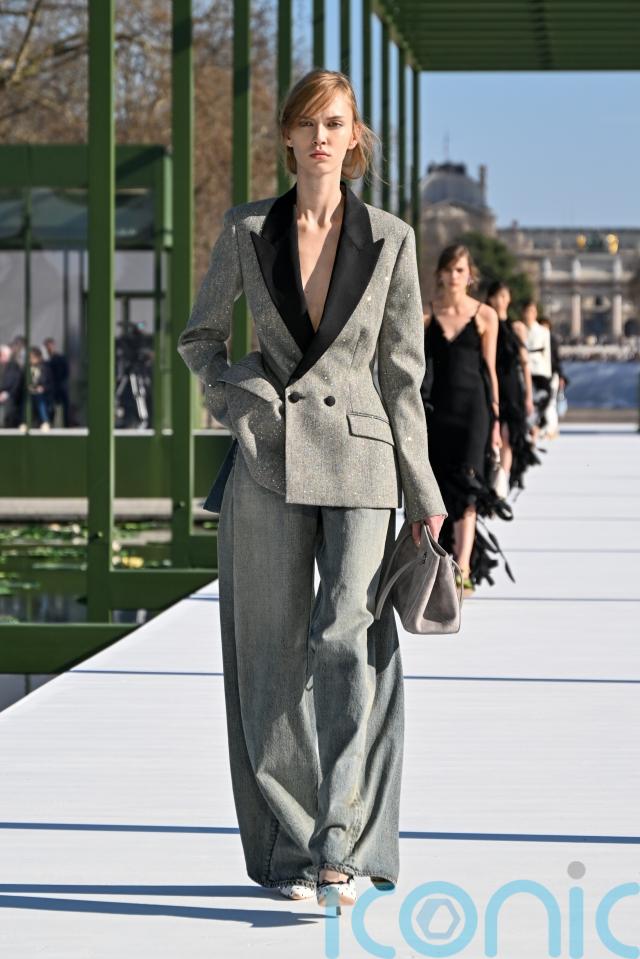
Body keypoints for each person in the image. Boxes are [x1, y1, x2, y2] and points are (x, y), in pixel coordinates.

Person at [176, 69, 446, 911]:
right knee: (270, 654)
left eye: (335, 123)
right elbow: (199, 339)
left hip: (363, 461)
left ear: (354, 137)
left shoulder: (392, 239)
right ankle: (292, 848)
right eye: (308, 123)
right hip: (269, 458)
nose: (322, 137)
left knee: (344, 637)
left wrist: (425, 490)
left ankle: (342, 838)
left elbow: (402, 376)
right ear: (288, 137)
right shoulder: (246, 229)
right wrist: (239, 401)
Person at [421, 245, 508, 595]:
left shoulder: (486, 316)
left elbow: (490, 371)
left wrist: (496, 422)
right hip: (436, 413)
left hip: (475, 413)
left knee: (468, 488)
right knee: (438, 489)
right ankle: (437, 566)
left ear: (470, 275)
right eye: (449, 270)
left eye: (461, 270)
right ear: (440, 274)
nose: (454, 276)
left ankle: (464, 568)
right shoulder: (426, 315)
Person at [486, 281, 539, 490]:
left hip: (511, 387)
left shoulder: (517, 328)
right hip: (489, 383)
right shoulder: (483, 322)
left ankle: (502, 479)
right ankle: (494, 475)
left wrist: (528, 395)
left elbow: (525, 363)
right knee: (492, 433)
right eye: (497, 296)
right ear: (490, 298)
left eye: (505, 296)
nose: (501, 300)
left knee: (509, 435)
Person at [522, 299, 552, 441]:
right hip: (523, 368)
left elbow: (547, 354)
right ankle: (529, 427)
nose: (529, 314)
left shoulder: (543, 331)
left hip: (539, 369)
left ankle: (536, 425)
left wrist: (548, 374)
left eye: (532, 311)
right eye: (527, 311)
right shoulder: (518, 328)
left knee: (542, 398)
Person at [43, 337, 71, 427]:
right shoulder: (46, 360)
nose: (49, 348)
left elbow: (66, 371)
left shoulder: (60, 358)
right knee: (51, 407)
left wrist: (62, 382)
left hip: (60, 386)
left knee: (63, 407)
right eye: (47, 346)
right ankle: (52, 424)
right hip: (52, 387)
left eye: (50, 346)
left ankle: (65, 425)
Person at [0, 338, 26, 428]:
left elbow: (15, 384)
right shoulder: (4, 366)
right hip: (3, 394)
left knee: (9, 411)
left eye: (1, 355)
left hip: (11, 396)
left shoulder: (13, 366)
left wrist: (6, 394)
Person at [28, 346, 54, 429]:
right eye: (30, 358)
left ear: (38, 358)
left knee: (40, 400)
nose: (31, 360)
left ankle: (45, 421)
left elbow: (49, 382)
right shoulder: (28, 368)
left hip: (43, 393)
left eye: (33, 358)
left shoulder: (45, 368)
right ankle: (27, 421)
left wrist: (42, 388)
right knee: (27, 400)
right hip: (31, 391)